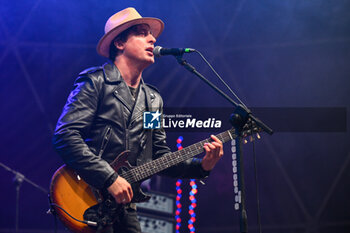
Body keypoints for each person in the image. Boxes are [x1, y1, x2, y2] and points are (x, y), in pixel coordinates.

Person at [52, 7, 223, 233]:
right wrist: (109, 178)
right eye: (142, 33)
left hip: (125, 208)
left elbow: (158, 154)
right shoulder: (95, 82)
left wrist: (201, 167)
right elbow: (65, 135)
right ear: (119, 43)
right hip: (90, 200)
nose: (152, 38)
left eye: (151, 34)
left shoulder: (153, 100)